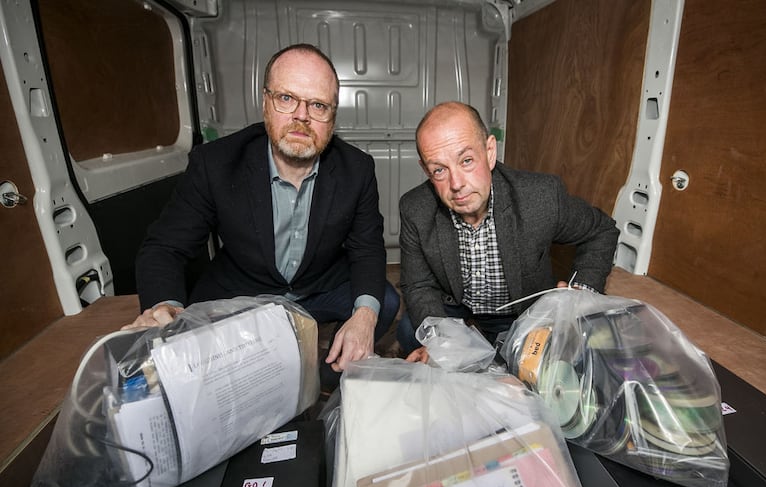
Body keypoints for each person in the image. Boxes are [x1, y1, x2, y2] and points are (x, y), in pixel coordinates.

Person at [125, 43, 399, 373]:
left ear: (332, 117)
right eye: (287, 98)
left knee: (382, 302)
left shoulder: (357, 169)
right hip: (243, 290)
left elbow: (366, 248)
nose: (302, 116)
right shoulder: (216, 164)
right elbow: (165, 248)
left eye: (318, 105)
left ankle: (314, 377)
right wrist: (165, 306)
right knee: (195, 355)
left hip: (318, 286)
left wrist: (364, 318)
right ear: (265, 103)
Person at [398, 101, 619, 362]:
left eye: (466, 160)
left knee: (541, 365)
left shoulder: (541, 197)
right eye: (439, 170)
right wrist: (440, 341)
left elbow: (602, 230)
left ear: (490, 151)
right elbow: (418, 284)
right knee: (411, 333)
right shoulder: (415, 208)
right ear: (426, 170)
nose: (456, 184)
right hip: (454, 305)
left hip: (517, 313)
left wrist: (583, 288)